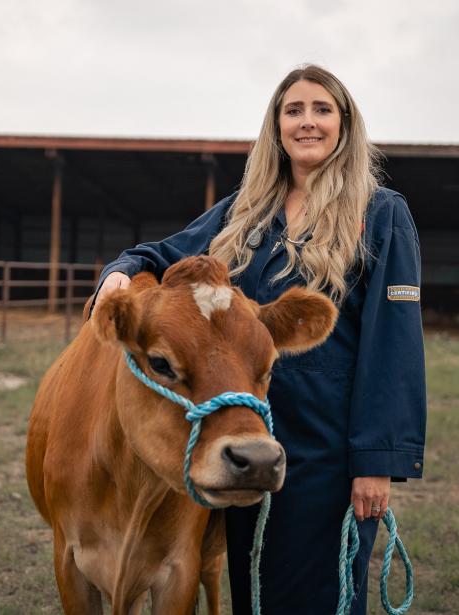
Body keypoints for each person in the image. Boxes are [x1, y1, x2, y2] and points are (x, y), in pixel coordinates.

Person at [92, 64, 426, 613]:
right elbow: (161, 253)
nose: (307, 122)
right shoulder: (245, 213)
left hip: (328, 449)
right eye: (293, 111)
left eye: (322, 110)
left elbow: (395, 350)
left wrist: (376, 462)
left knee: (320, 591)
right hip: (246, 434)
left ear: (345, 125)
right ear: (276, 126)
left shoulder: (381, 214)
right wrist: (118, 274)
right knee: (253, 588)